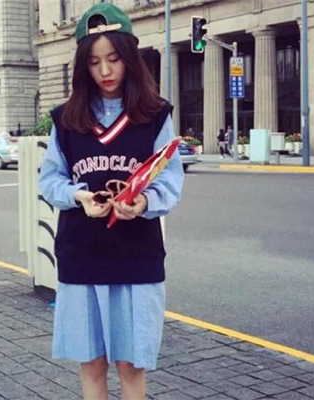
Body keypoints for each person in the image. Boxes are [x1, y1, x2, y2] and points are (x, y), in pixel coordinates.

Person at [38, 4, 184, 400]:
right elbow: (49, 179)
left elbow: (170, 178)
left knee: (131, 367)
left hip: (137, 256)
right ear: (82, 66)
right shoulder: (66, 119)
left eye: (114, 59)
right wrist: (77, 196)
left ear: (130, 58)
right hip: (81, 254)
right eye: (94, 62)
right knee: (92, 365)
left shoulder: (155, 115)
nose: (105, 70)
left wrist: (143, 202)